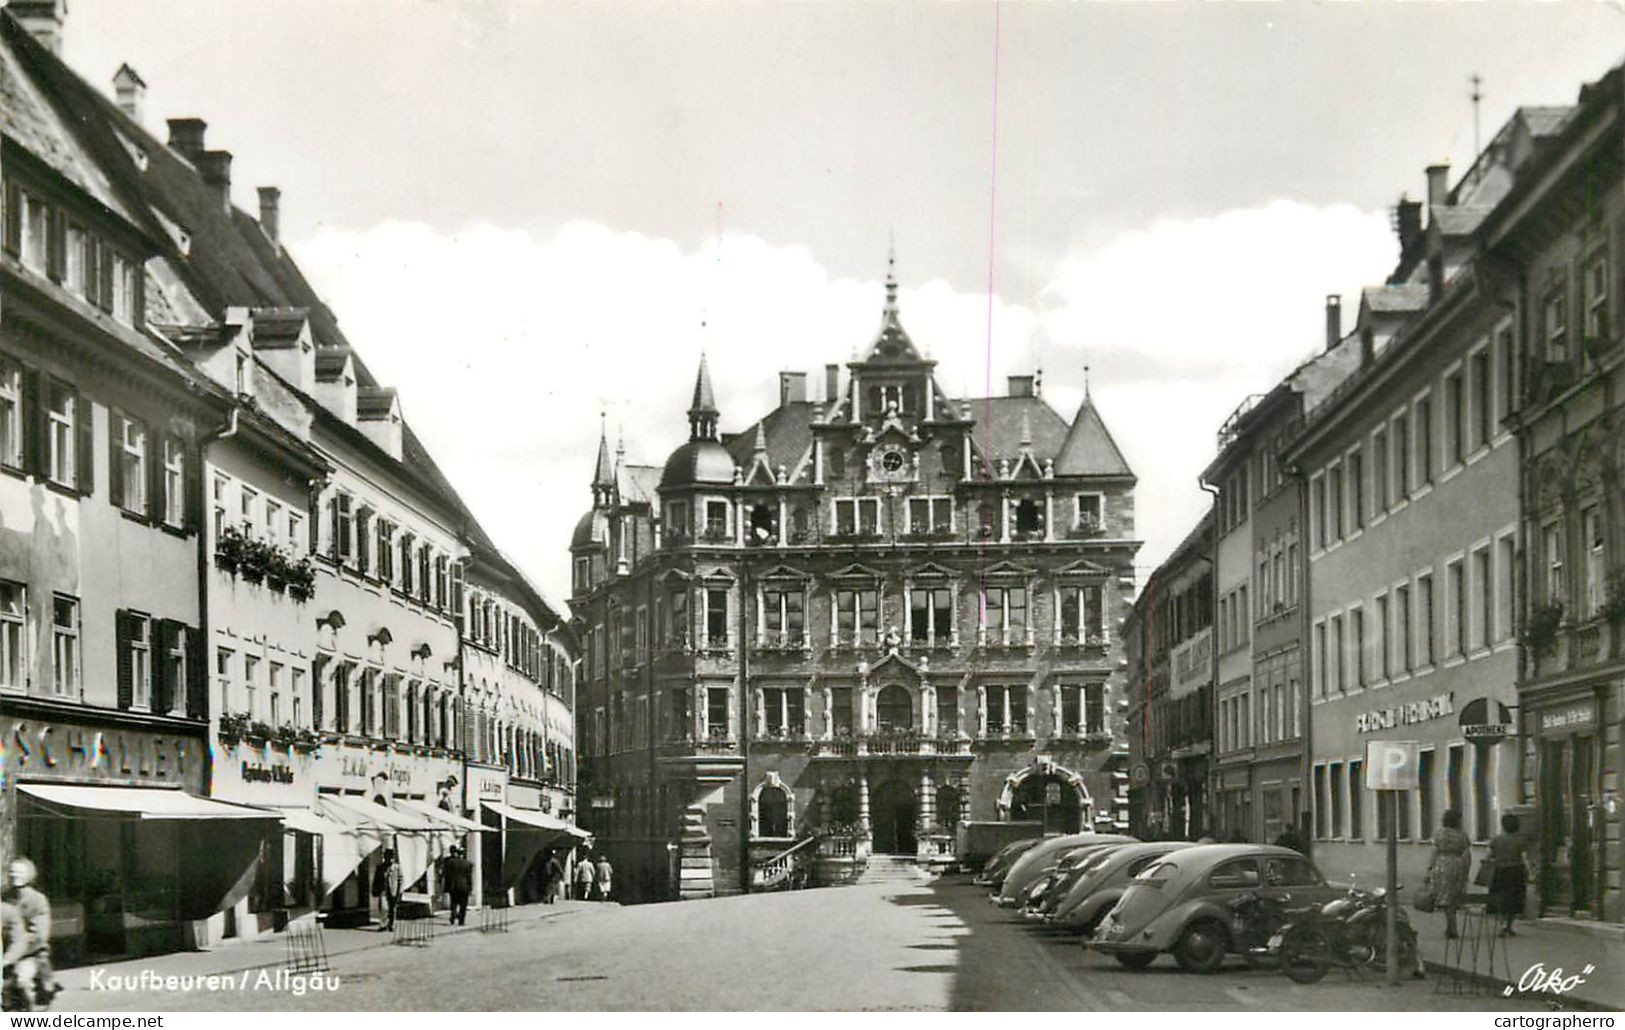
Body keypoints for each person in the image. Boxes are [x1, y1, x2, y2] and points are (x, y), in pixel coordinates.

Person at [3, 858, 54, 1009]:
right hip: (5, 953)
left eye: (20, 871)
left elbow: (39, 936)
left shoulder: (38, 900)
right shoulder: (3, 897)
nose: (14, 875)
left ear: (30, 875)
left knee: (22, 980)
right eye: (12, 871)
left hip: (30, 954)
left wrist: (13, 954)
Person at [1427, 809, 1471, 938]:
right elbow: (1467, 854)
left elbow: (1434, 851)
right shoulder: (1462, 834)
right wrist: (1466, 871)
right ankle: (1451, 926)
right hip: (1457, 864)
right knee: (1454, 896)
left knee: (1445, 897)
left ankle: (1451, 926)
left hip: (1442, 865)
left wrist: (1429, 868)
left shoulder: (1440, 833)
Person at [1488, 813, 1530, 936]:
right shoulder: (1520, 840)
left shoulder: (1496, 839)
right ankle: (1509, 926)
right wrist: (1530, 873)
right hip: (1516, 871)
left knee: (1500, 898)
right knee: (1514, 898)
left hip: (1500, 871)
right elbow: (1524, 857)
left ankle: (1502, 924)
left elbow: (1489, 855)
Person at [443, 846, 474, 926]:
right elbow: (469, 877)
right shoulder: (467, 864)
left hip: (453, 886)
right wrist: (470, 888)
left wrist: (446, 887)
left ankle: (453, 915)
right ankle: (461, 920)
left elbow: (447, 875)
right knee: (463, 904)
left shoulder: (450, 862)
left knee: (453, 902)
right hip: (464, 887)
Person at [375, 849, 404, 931]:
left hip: (393, 890)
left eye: (391, 857)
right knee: (384, 907)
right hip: (383, 890)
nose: (390, 859)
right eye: (388, 857)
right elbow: (376, 879)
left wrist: (400, 890)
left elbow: (401, 879)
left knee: (393, 908)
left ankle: (392, 924)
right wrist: (375, 889)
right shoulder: (380, 867)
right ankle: (383, 924)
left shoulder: (397, 867)